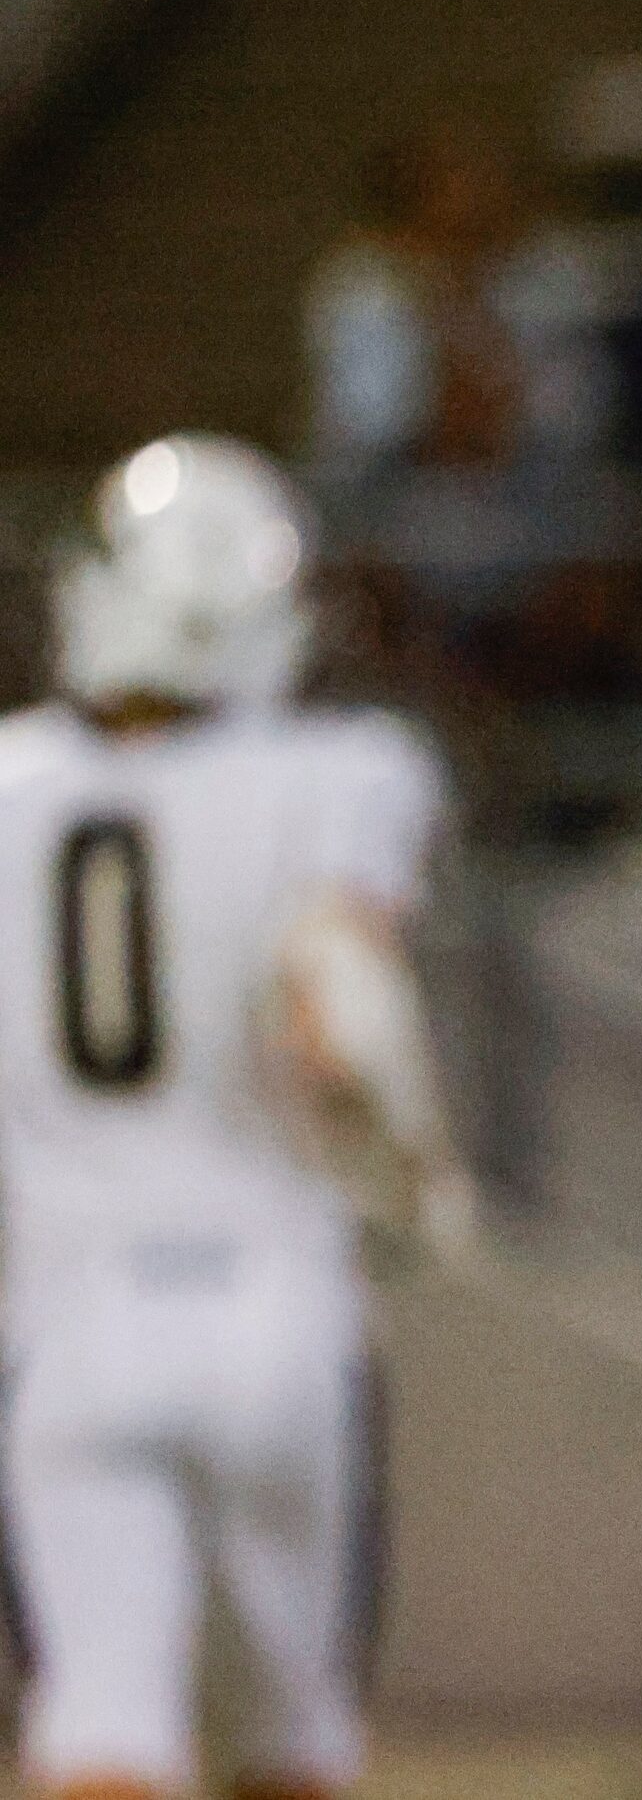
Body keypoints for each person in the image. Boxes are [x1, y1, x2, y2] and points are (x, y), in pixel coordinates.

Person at [0, 436, 463, 1800]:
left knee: (99, 1735)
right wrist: (417, 1170)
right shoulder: (349, 768)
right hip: (282, 1307)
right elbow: (344, 1009)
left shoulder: (8, 781)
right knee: (296, 1744)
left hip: (66, 1317)